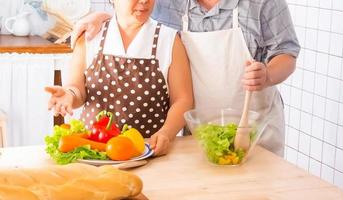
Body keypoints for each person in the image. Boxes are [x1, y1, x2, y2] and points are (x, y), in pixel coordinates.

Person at [71, 0, 300, 156]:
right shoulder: (172, 3)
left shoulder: (263, 3)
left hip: (254, 131)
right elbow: (132, 10)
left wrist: (268, 74)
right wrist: (99, 17)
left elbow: (287, 54)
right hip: (200, 136)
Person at [45, 0, 194, 156]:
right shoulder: (90, 37)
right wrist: (69, 95)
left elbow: (183, 99)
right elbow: (77, 90)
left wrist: (166, 133)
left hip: (146, 151)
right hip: (95, 152)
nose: (144, 1)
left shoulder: (169, 40)